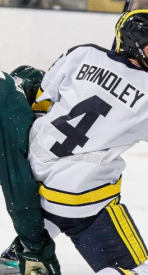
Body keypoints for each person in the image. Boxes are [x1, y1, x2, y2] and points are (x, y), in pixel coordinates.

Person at [3, 9, 148, 275]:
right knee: (130, 269)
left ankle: (19, 254)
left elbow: (41, 104)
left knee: (55, 188)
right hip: (78, 199)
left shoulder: (80, 54)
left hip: (31, 174)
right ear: (140, 48)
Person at [0, 66, 61, 275]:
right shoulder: (11, 108)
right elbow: (19, 192)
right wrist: (35, 249)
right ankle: (19, 251)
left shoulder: (7, 86)